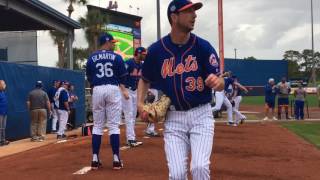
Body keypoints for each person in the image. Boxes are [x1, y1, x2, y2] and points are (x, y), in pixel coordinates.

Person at [137, 0, 225, 179]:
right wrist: (139, 103)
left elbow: (220, 81)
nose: (194, 15)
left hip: (201, 115)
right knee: (177, 174)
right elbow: (144, 79)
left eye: (194, 11)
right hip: (174, 118)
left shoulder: (203, 47)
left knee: (199, 168)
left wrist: (218, 82)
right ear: (174, 17)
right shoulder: (156, 50)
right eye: (188, 11)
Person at [86, 32, 129, 170]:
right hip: (112, 88)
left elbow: (90, 77)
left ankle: (94, 158)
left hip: (97, 89)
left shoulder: (92, 57)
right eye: (112, 42)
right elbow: (123, 77)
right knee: (113, 126)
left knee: (97, 126)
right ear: (107, 42)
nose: (114, 44)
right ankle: (116, 159)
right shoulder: (116, 57)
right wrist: (123, 89)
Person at [121, 47, 146, 147]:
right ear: (138, 53)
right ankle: (130, 139)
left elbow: (142, 80)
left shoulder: (142, 65)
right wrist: (123, 90)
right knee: (129, 114)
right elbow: (120, 76)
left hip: (136, 91)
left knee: (134, 115)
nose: (145, 55)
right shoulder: (129, 63)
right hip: (126, 90)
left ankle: (132, 138)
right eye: (143, 54)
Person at [0, 80, 9, 146]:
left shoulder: (3, 92)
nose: (5, 85)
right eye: (3, 84)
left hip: (4, 113)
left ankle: (3, 140)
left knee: (3, 127)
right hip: (0, 113)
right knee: (0, 127)